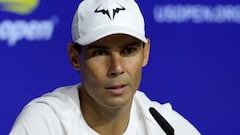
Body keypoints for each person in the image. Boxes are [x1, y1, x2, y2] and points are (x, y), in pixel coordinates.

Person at [10, 0, 201, 134]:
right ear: (75, 57)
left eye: (128, 51)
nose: (116, 67)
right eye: (100, 52)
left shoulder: (167, 128)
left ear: (146, 53)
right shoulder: (45, 123)